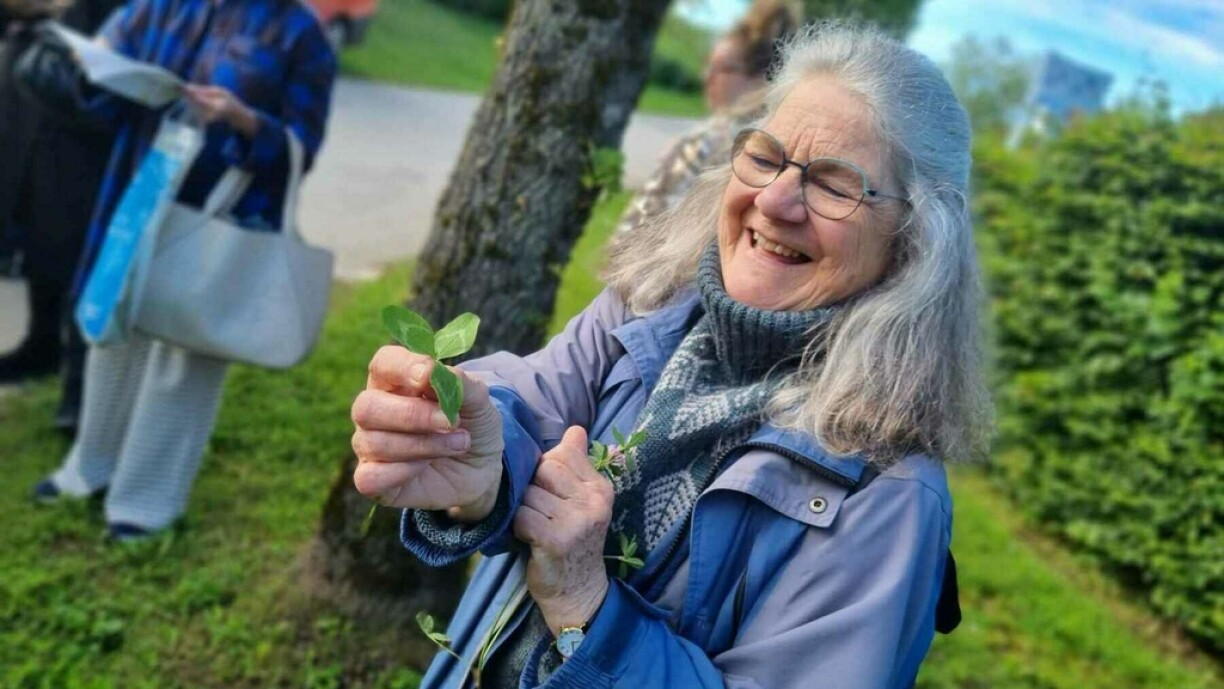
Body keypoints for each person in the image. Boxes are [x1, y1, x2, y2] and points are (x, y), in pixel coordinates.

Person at [351, 21, 990, 689]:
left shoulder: (888, 496)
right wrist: (472, 458)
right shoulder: (653, 304)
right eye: (767, 157)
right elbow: (532, 400)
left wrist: (587, 611)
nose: (774, 201)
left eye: (834, 185)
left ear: (915, 244)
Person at [25, 0, 337, 541]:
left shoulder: (299, 33)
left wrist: (242, 120)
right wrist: (91, 66)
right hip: (140, 193)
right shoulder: (160, 6)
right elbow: (101, 98)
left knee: (182, 361)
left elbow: (299, 149)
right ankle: (88, 470)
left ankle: (144, 507)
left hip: (217, 213)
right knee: (112, 338)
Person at [0, 0, 124, 433]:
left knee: (80, 252)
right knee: (36, 229)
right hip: (32, 107)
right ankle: (41, 346)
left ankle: (79, 388)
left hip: (88, 117)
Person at [615, 0, 801, 234]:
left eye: (722, 68)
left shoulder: (710, 141)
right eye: (707, 66)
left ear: (762, 77)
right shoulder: (792, 151)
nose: (707, 78)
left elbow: (635, 231)